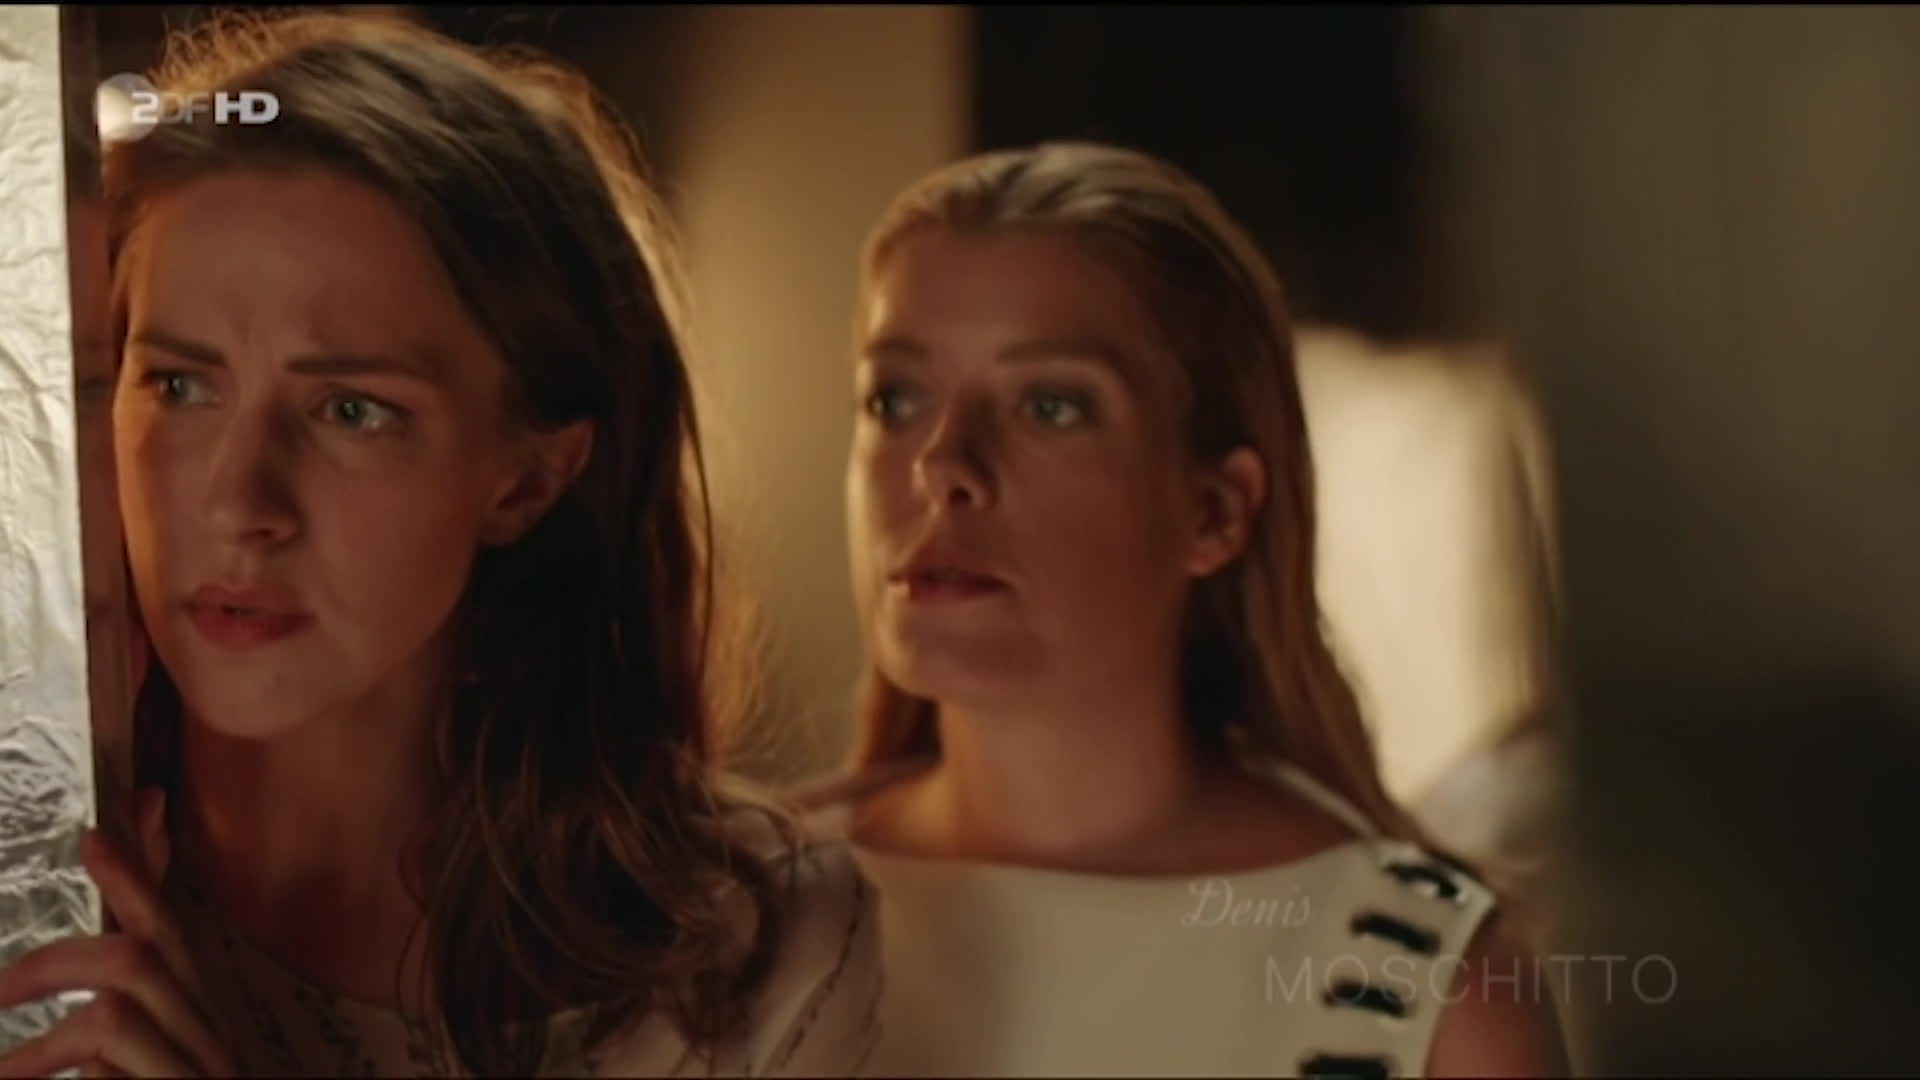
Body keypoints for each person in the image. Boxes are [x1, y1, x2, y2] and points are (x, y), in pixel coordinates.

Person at [0, 10, 878, 1077]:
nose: (239, 503)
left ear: (528, 478)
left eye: (351, 411)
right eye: (181, 386)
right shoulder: (23, 875)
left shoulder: (752, 951)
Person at [807, 141, 1569, 1077]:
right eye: (896, 399)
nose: (941, 466)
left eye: (1050, 406)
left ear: (1214, 511)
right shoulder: (734, 916)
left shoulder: (1432, 983)